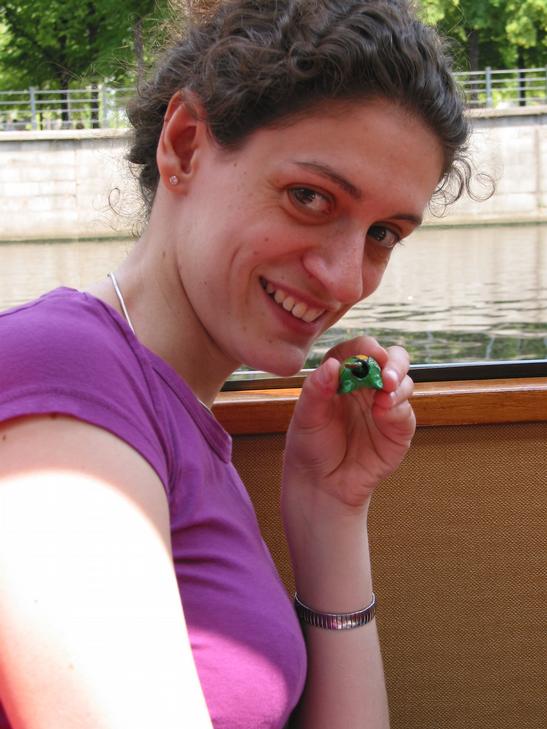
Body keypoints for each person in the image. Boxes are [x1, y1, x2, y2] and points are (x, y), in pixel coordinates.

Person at [0, 1, 472, 727]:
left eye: (383, 233)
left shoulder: (176, 422)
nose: (346, 278)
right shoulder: (56, 372)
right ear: (185, 145)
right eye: (309, 197)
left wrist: (329, 508)